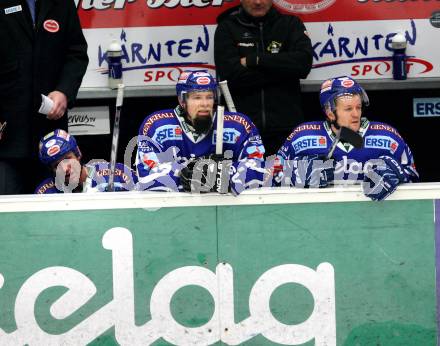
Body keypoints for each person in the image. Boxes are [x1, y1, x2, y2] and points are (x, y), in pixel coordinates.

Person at [274, 76, 419, 201]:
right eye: (348, 109)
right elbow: (271, 175)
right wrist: (295, 175)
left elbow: (414, 176)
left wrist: (397, 174)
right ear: (330, 113)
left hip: (377, 222)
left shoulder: (388, 137)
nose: (356, 114)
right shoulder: (302, 137)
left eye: (358, 107)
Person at [0, 0, 89, 194]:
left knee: (56, 213)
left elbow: (77, 53)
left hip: (53, 140)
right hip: (7, 138)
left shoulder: (61, 3)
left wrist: (64, 91)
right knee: (8, 214)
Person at [136, 70, 267, 195]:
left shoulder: (239, 126)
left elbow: (259, 169)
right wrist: (185, 175)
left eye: (209, 97)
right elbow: (146, 173)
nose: (204, 104)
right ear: (182, 101)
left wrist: (223, 175)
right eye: (197, 97)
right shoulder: (156, 125)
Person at [214, 0, 313, 155]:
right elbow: (230, 75)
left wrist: (255, 60)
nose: (258, 2)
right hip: (243, 130)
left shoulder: (290, 24)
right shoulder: (226, 28)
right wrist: (283, 69)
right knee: (247, 179)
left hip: (287, 129)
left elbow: (303, 65)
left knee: (288, 179)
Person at [35, 129, 137, 194]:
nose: (65, 168)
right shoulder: (45, 192)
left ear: (78, 153)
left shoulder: (117, 174)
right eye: (57, 165)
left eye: (68, 159)